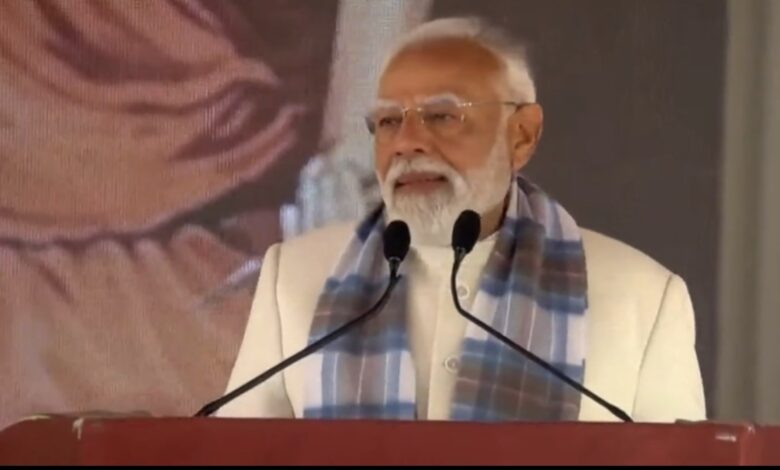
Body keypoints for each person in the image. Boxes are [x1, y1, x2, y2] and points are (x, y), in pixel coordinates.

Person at [216, 17, 706, 423]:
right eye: (388, 121)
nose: (407, 143)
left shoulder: (643, 298)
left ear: (522, 135)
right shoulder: (292, 278)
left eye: (442, 116)